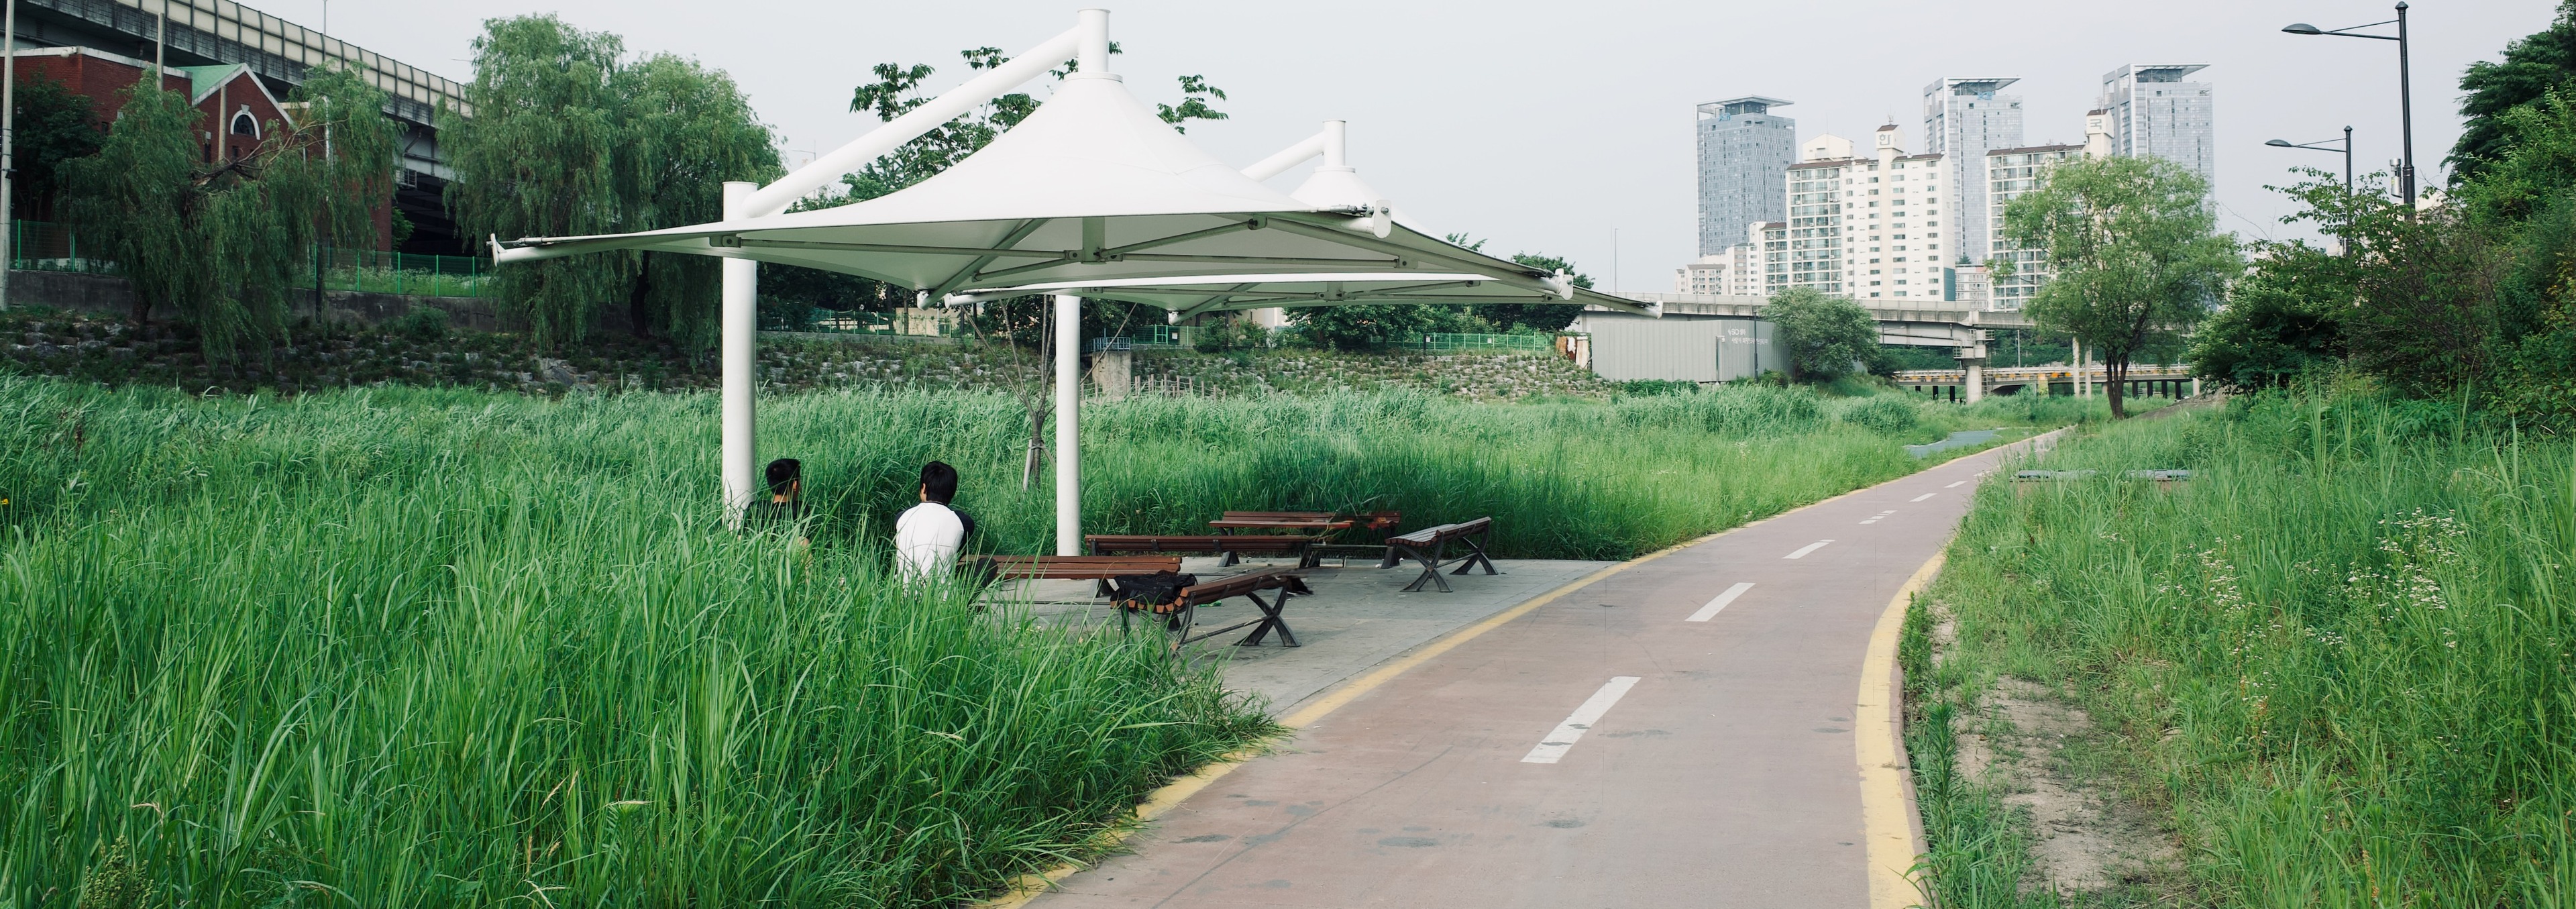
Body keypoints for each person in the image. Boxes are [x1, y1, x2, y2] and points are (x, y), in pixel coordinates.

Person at [894, 460, 973, 581]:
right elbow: (956, 555)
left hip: (902, 589)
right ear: (952, 492)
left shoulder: (902, 517)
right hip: (943, 590)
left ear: (923, 487)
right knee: (988, 564)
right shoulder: (963, 522)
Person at [745, 458, 810, 547]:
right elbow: (803, 549)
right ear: (795, 484)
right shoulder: (800, 509)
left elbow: (740, 542)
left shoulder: (755, 507)